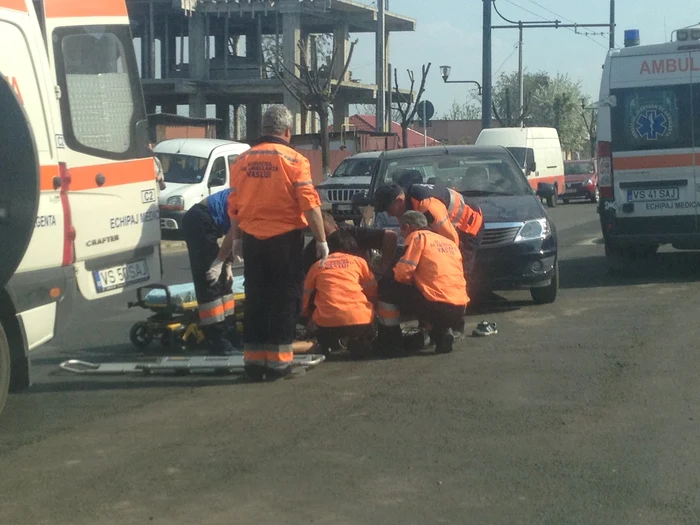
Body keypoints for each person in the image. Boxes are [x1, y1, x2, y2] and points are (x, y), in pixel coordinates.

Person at [212, 105, 328, 382]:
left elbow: (234, 205)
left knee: (256, 300)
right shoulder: (295, 160)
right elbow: (309, 204)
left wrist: (237, 239)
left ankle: (254, 364)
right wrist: (321, 239)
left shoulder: (241, 161)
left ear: (263, 129)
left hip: (252, 241)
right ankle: (277, 365)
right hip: (285, 241)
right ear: (287, 131)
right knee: (284, 299)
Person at [376, 211, 468, 354]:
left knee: (386, 286)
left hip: (435, 305)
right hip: (460, 308)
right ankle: (441, 333)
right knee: (430, 292)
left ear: (407, 226)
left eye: (402, 230)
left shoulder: (417, 237)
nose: (403, 234)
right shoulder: (448, 242)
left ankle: (390, 339)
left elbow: (403, 272)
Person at [373, 179, 484, 280]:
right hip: (449, 228)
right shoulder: (405, 203)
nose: (389, 214)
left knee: (456, 273)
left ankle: (458, 297)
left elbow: (451, 242)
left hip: (468, 227)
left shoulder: (428, 206)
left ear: (399, 200)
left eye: (388, 209)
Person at [302, 229, 377, 358]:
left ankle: (326, 344)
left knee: (322, 336)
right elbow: (372, 292)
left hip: (326, 323)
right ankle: (360, 340)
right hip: (360, 320)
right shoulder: (359, 262)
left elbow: (305, 297)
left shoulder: (317, 265)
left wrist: (307, 317)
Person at [182, 189, 236, 354]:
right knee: (209, 279)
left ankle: (230, 335)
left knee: (225, 282)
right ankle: (216, 341)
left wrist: (227, 264)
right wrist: (220, 261)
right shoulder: (251, 197)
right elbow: (234, 233)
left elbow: (239, 235)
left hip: (210, 221)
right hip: (199, 220)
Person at [302, 211, 399, 276]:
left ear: (336, 227)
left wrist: (384, 267)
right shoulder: (314, 248)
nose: (324, 239)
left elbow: (390, 236)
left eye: (326, 234)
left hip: (360, 278)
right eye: (318, 234)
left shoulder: (354, 232)